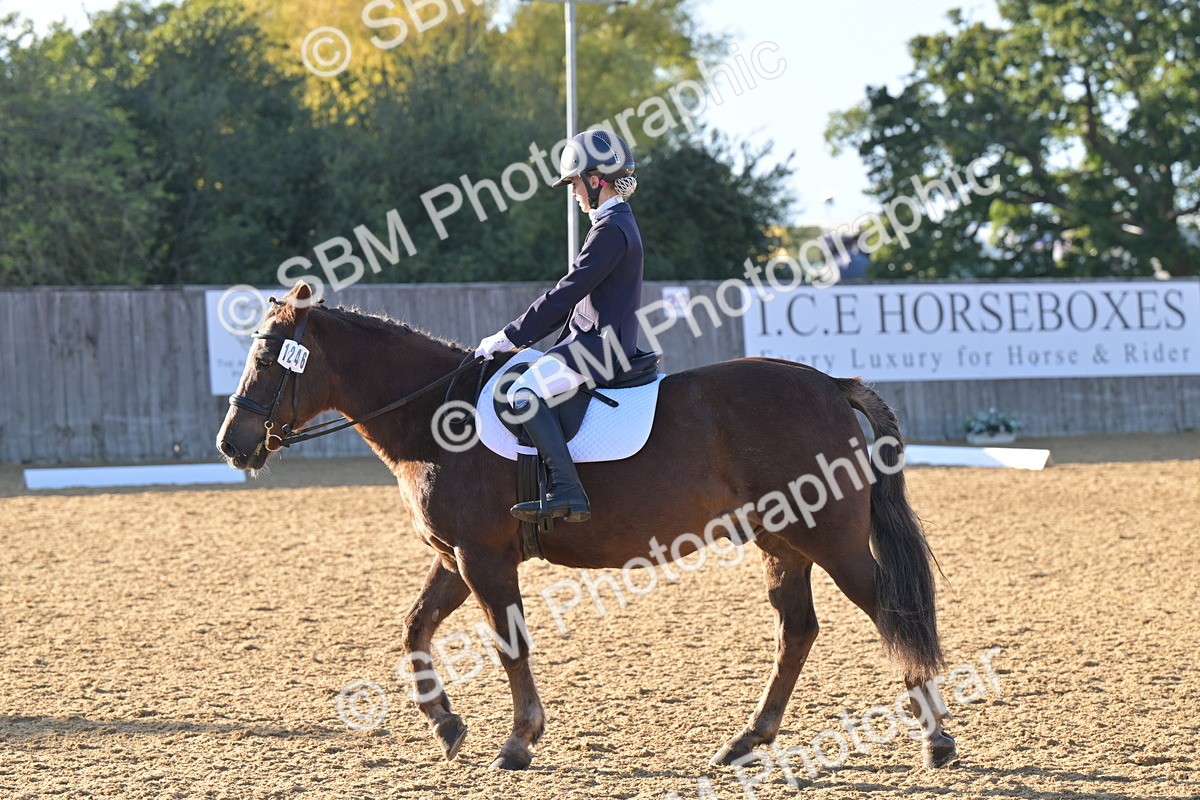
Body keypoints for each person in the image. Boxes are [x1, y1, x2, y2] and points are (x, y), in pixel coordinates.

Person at [475, 129, 644, 525]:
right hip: (594, 341)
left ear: (596, 180)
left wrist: (508, 337)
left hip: (599, 348)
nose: (572, 192)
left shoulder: (610, 230)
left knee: (522, 393)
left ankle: (568, 489)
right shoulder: (615, 223)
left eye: (573, 183)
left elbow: (565, 294)